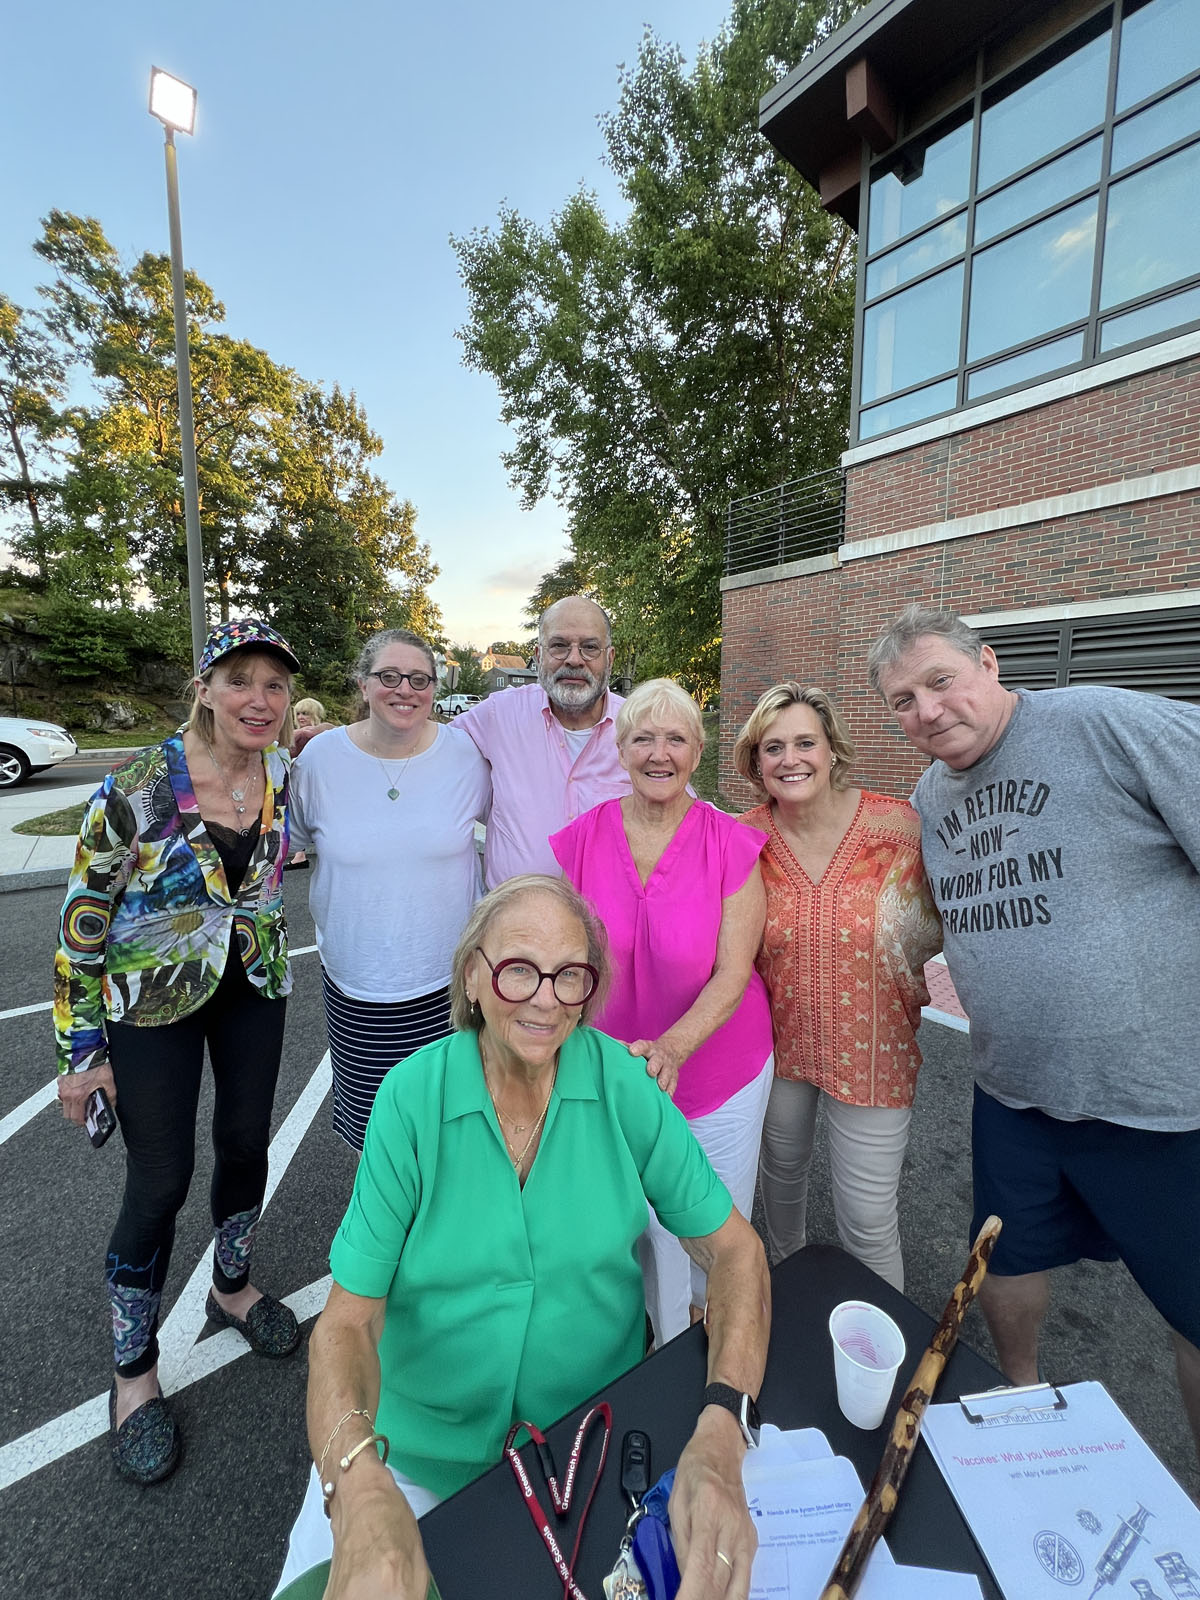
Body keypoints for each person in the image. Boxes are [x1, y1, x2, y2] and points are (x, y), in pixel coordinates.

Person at [274, 875, 769, 1600]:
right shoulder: (412, 1098)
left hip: (592, 1441)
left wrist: (724, 1433)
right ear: (473, 975)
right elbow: (348, 1321)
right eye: (518, 969)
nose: (545, 997)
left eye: (570, 974)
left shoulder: (623, 1085)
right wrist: (356, 1482)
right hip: (411, 1458)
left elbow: (734, 1250)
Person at [868, 602, 1200, 1464]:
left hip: (1161, 1101)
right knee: (1005, 1262)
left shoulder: (1102, 723)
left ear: (989, 663)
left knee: (1194, 1309)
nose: (928, 711)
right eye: (904, 701)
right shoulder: (930, 796)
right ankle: (1022, 1397)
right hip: (1012, 1090)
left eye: (940, 681)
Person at [54, 617, 303, 1485]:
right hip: (149, 1001)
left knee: (246, 1143)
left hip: (251, 986)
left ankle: (232, 1286)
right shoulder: (137, 786)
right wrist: (80, 1053)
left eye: (274, 685)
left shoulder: (279, 772)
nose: (259, 700)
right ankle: (133, 1373)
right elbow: (81, 919)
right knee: (158, 1179)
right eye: (240, 680)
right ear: (203, 686)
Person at [551, 679, 773, 1344]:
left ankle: (720, 1354)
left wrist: (673, 1048)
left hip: (717, 1071)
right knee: (639, 1227)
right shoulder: (582, 840)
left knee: (713, 1225)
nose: (659, 752)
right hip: (618, 1074)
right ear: (620, 749)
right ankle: (660, 1342)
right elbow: (571, 961)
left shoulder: (730, 844)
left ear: (696, 751)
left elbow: (735, 971)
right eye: (643, 737)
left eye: (675, 738)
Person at [732, 683, 941, 1292]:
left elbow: (949, 921)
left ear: (831, 750)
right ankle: (794, 1292)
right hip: (777, 1047)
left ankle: (886, 1361)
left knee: (869, 1221)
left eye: (805, 742)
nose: (790, 758)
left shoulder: (900, 830)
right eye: (773, 747)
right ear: (756, 761)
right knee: (782, 1183)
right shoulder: (741, 841)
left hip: (875, 1049)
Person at [289, 628, 490, 1151]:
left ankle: (445, 1233)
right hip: (360, 985)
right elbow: (295, 841)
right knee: (377, 1136)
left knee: (452, 1130)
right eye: (389, 676)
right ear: (362, 684)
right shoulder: (318, 761)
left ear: (435, 686)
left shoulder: (466, 756)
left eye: (419, 678)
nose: (405, 689)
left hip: (449, 984)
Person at [456, 595, 631, 886]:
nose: (574, 659)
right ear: (538, 655)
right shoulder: (500, 715)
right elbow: (429, 749)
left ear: (609, 658)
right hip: (514, 922)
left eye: (589, 647)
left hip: (609, 927)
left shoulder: (638, 726)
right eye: (559, 646)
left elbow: (682, 812)